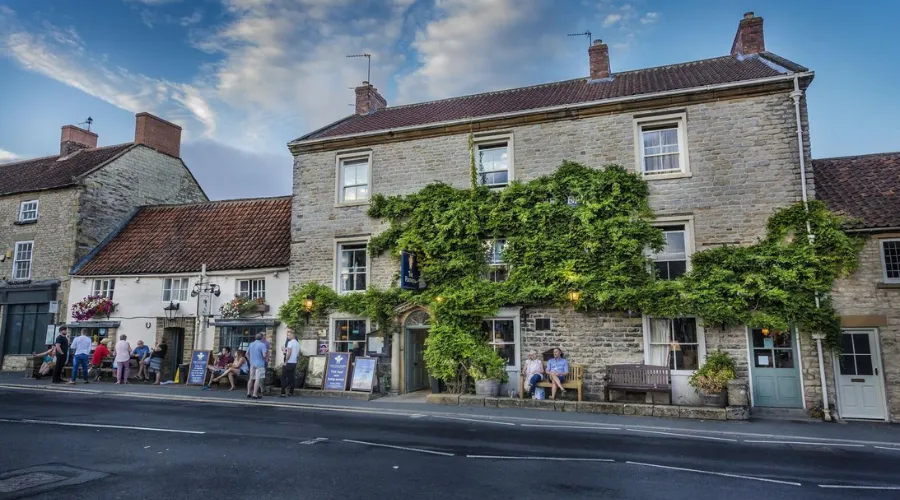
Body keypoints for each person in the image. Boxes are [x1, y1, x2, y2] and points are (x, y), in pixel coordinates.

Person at [246, 333, 267, 400]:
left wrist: (250, 360)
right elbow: (264, 355)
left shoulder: (251, 344)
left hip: (252, 363)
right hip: (260, 364)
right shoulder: (262, 345)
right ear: (261, 338)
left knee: (251, 378)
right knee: (258, 379)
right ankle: (254, 394)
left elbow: (246, 354)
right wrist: (266, 359)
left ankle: (248, 393)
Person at [281, 330, 300, 397]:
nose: (287, 336)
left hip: (288, 362)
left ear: (292, 335)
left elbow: (289, 353)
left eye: (288, 335)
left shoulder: (290, 342)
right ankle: (291, 392)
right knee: (291, 377)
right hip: (294, 362)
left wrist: (285, 362)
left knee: (283, 377)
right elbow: (296, 354)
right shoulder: (297, 343)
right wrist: (284, 350)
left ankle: (283, 393)